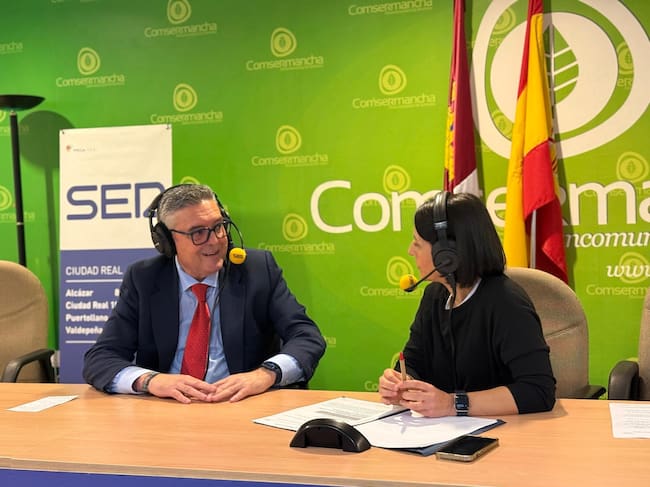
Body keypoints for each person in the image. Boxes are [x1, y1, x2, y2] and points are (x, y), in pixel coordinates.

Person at [83, 184, 326, 404]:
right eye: (198, 232)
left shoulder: (257, 269)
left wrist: (265, 374)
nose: (215, 241)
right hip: (169, 409)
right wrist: (151, 381)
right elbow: (101, 357)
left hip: (241, 405)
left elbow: (307, 337)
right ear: (167, 241)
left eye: (219, 227)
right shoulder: (144, 279)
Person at [378, 191, 556, 417]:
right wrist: (400, 383)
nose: (410, 251)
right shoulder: (435, 295)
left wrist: (453, 404)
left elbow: (538, 391)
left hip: (508, 430)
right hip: (445, 430)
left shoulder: (507, 302)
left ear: (446, 255)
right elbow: (413, 362)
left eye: (417, 243)